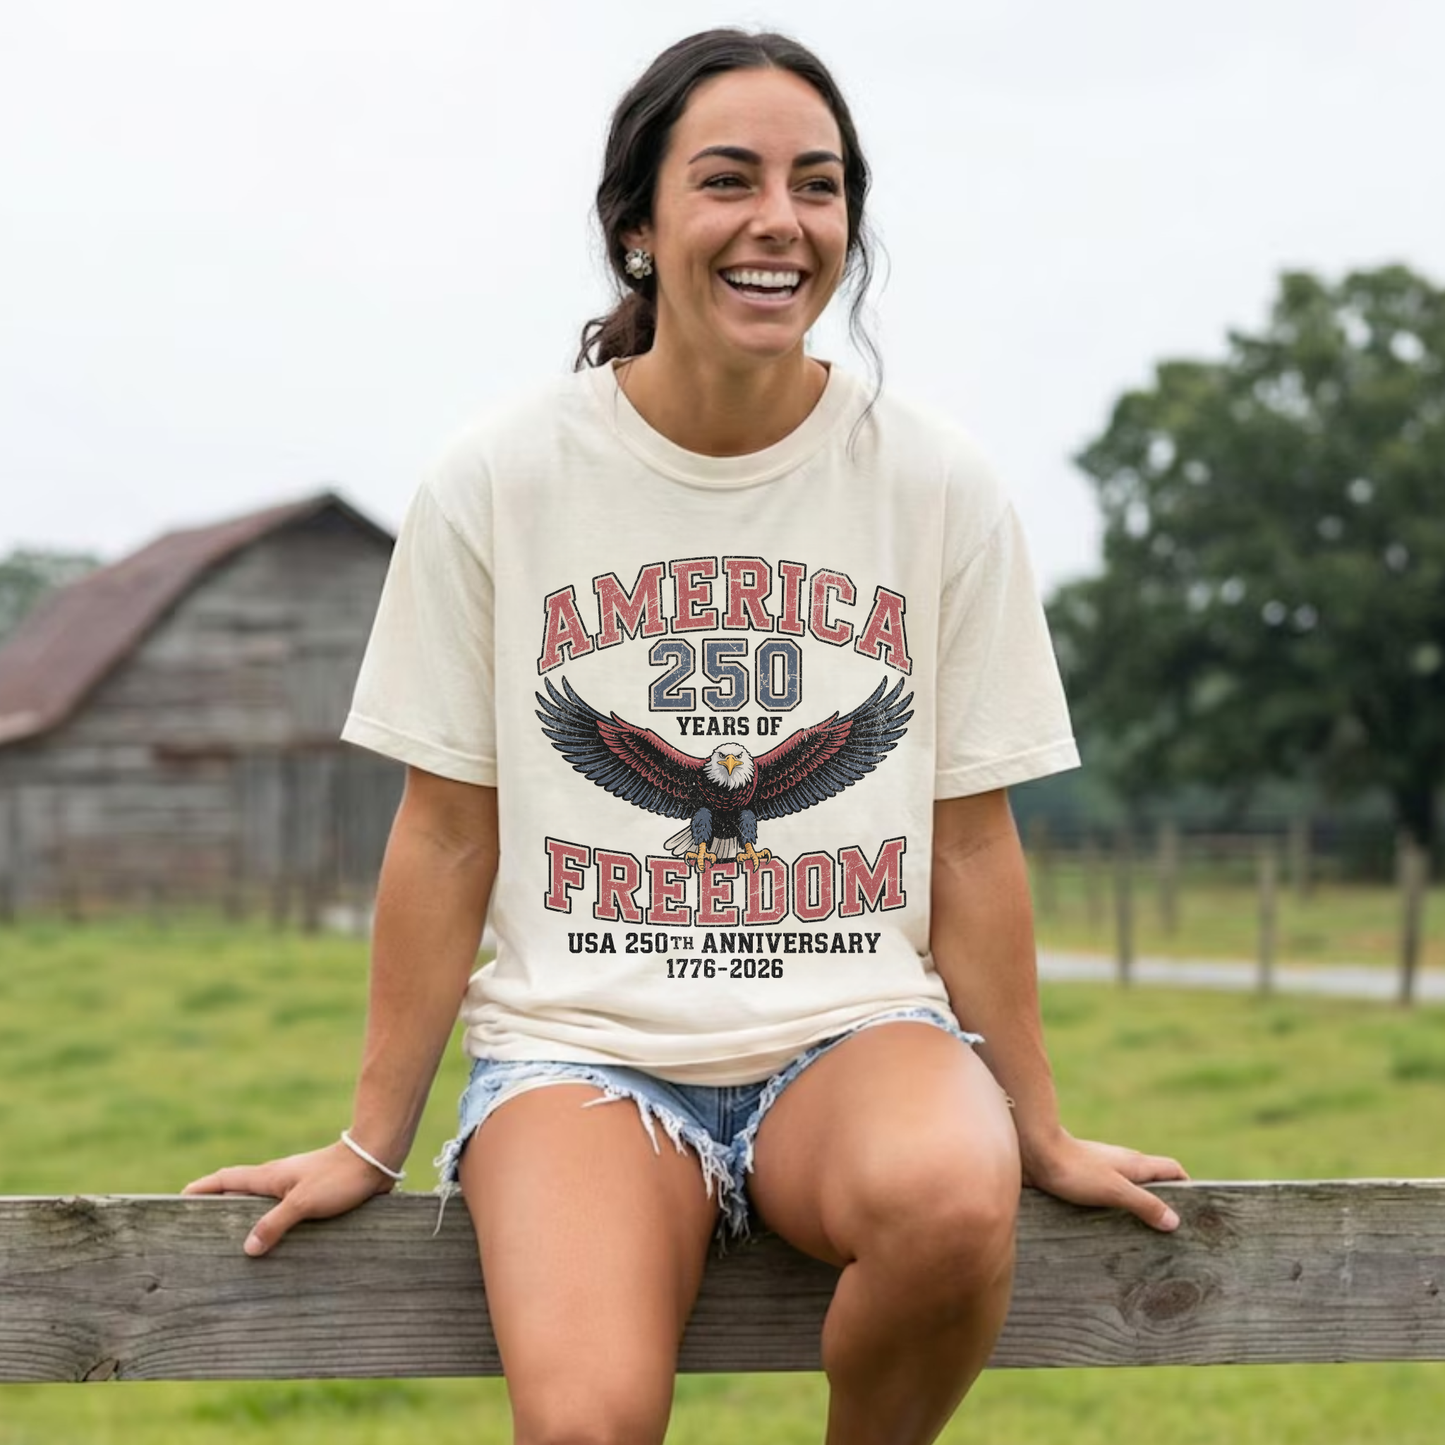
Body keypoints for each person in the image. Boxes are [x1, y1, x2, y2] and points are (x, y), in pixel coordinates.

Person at [185, 27, 1187, 1445]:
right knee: (586, 1426)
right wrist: (370, 1138)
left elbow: (969, 844)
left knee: (953, 1205)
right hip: (580, 1053)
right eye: (729, 180)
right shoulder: (498, 481)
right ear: (638, 228)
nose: (780, 219)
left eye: (817, 185)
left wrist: (1040, 1126)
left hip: (854, 1028)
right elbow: (449, 832)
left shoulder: (936, 486)